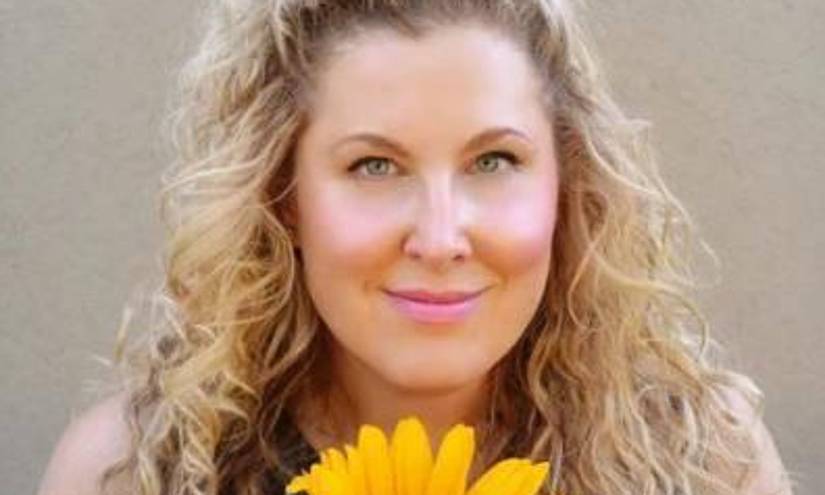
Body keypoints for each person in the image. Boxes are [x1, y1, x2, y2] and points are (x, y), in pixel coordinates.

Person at [37, 1, 794, 494]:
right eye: (375, 166)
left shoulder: (705, 463)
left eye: (493, 160)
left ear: (568, 184)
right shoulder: (129, 474)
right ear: (284, 196)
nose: (439, 238)